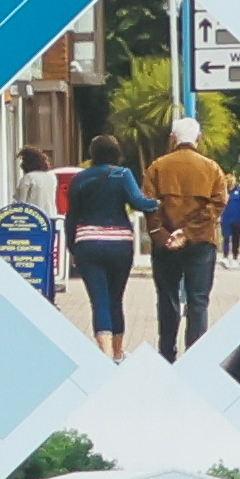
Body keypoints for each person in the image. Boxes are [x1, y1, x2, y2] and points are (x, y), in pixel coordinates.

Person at [141, 120, 230, 357]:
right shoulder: (211, 168)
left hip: (165, 245)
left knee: (167, 297)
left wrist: (163, 235)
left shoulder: (157, 167)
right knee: (198, 301)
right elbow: (219, 203)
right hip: (201, 242)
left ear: (173, 138)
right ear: (198, 138)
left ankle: (167, 353)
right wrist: (189, 232)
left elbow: (149, 205)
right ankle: (195, 354)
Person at [59, 143, 142, 351]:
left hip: (88, 245)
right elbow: (138, 202)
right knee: (116, 299)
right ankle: (117, 352)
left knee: (99, 302)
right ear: (117, 153)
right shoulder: (123, 174)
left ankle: (103, 352)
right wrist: (157, 204)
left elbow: (72, 218)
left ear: (92, 154)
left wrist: (72, 248)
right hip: (120, 246)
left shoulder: (80, 178)